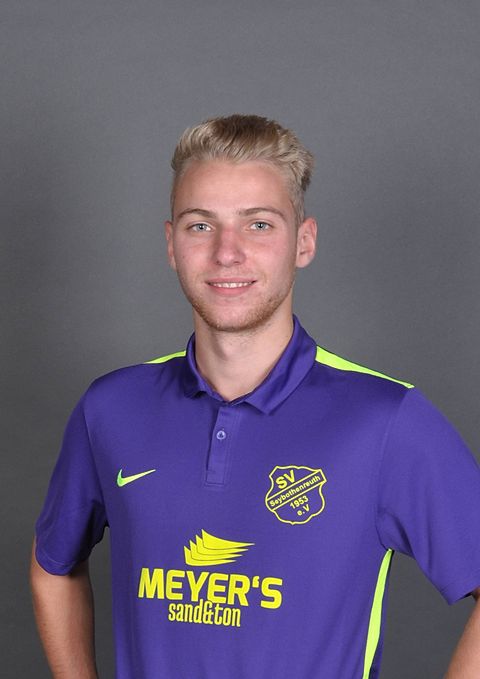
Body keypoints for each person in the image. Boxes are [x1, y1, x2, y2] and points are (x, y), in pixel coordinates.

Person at [30, 114, 480, 679]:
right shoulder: (110, 409)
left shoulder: (387, 420)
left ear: (304, 242)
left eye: (259, 224)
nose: (227, 252)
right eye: (200, 225)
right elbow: (53, 565)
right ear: (171, 244)